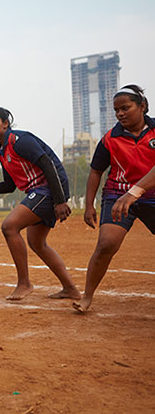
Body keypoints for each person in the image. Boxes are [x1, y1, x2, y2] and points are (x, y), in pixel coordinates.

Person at [0, 107, 80, 301]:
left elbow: (48, 164)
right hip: (37, 192)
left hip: (48, 189)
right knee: (37, 243)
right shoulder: (3, 150)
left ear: (6, 123)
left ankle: (24, 283)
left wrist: (60, 200)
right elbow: (9, 185)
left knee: (9, 226)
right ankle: (70, 288)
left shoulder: (19, 141)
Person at [74, 85, 155, 313]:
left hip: (150, 195)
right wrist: (89, 205)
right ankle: (87, 297)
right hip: (118, 195)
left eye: (125, 108)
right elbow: (95, 171)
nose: (120, 113)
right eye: (116, 110)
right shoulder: (110, 138)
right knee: (106, 244)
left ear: (142, 106)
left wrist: (135, 192)